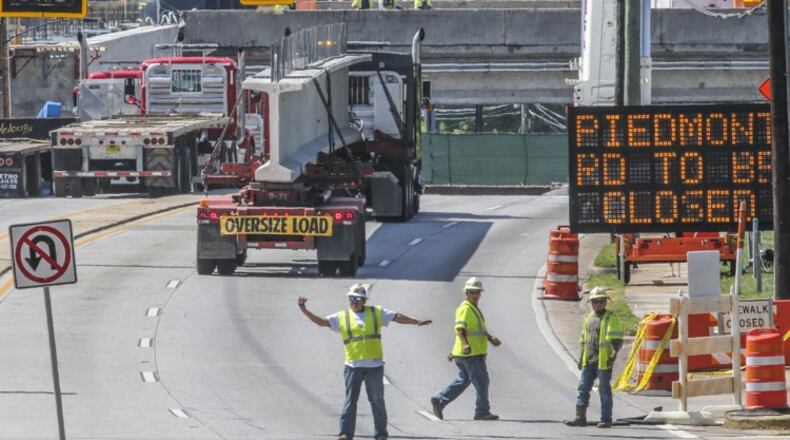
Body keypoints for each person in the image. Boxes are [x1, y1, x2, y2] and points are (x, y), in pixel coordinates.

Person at [298, 283, 432, 440]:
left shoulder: (376, 313)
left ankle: (381, 434)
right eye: (351, 299)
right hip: (352, 366)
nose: (353, 302)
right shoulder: (343, 317)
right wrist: (304, 310)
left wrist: (416, 321)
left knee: (377, 401)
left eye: (357, 299)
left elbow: (397, 317)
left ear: (364, 300)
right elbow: (322, 322)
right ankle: (345, 434)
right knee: (350, 401)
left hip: (374, 366)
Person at [431, 277, 501, 421]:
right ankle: (482, 411)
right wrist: (465, 344)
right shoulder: (465, 309)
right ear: (467, 293)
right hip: (470, 354)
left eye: (477, 292)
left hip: (467, 353)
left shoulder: (473, 309)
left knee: (464, 380)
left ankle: (440, 400)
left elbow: (477, 330)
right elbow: (460, 329)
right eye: (472, 293)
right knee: (482, 381)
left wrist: (490, 338)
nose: (475, 295)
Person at [565, 286, 623, 428]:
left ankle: (606, 419)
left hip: (603, 362)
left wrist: (613, 356)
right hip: (589, 361)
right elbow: (584, 340)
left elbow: (617, 340)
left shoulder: (611, 318)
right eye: (595, 302)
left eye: (601, 301)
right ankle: (580, 417)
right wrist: (580, 358)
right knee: (583, 388)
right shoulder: (589, 318)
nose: (598, 304)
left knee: (604, 390)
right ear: (591, 303)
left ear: (605, 302)